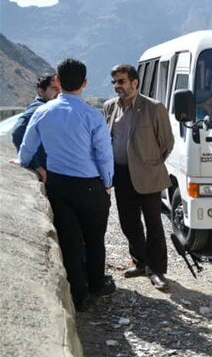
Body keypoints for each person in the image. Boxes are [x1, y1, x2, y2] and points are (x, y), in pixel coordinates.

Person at [18, 58, 115, 312]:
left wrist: (26, 163)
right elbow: (104, 154)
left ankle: (78, 295)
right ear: (84, 84)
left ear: (58, 82)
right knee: (95, 239)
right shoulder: (92, 116)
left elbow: (27, 149)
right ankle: (96, 284)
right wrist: (107, 182)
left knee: (70, 241)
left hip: (58, 185)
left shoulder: (42, 112)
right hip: (91, 186)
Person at [103, 64, 175, 291]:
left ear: (135, 83)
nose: (117, 86)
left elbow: (167, 143)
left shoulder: (154, 108)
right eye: (114, 82)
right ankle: (140, 262)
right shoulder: (109, 107)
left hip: (148, 175)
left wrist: (149, 164)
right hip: (121, 175)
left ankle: (157, 270)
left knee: (154, 224)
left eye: (121, 81)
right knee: (128, 223)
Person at [11, 73, 60, 182]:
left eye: (60, 89)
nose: (59, 93)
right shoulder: (39, 109)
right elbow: (18, 132)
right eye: (54, 89)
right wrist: (36, 165)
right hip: (46, 174)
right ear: (41, 91)